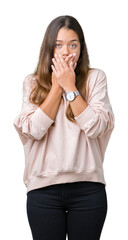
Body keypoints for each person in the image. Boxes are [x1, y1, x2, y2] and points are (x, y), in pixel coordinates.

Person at [13, 15, 115, 240]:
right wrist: (56, 87)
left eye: (73, 44)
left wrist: (70, 87)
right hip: (43, 190)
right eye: (58, 45)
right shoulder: (33, 82)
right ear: (49, 48)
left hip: (88, 189)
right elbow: (32, 130)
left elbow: (96, 127)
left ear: (81, 48)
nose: (66, 51)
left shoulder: (95, 78)